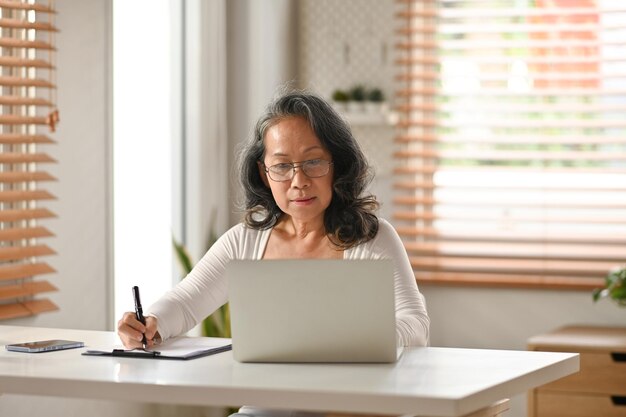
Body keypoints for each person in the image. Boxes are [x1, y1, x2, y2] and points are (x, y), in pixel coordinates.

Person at [118, 91, 430, 413]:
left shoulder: (372, 237)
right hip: (267, 409)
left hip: (353, 410)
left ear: (337, 165)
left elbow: (416, 326)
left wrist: (350, 340)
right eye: (282, 166)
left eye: (313, 162)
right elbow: (184, 303)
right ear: (264, 173)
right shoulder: (244, 241)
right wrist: (151, 322)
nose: (299, 181)